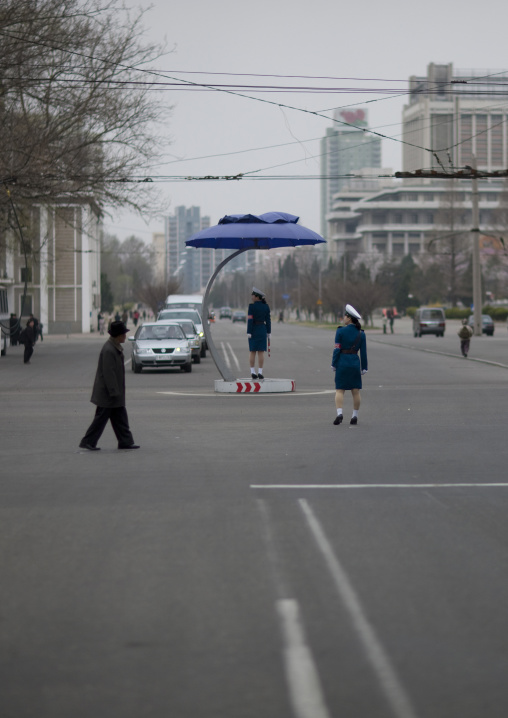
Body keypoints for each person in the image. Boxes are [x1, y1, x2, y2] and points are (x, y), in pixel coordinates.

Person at [79, 320, 139, 451]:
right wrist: (114, 392)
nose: (125, 336)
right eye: (123, 334)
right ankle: (88, 441)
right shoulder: (109, 350)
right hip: (108, 393)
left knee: (120, 418)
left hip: (112, 392)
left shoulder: (114, 347)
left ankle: (125, 441)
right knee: (101, 419)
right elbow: (108, 374)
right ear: (118, 335)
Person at [331, 303, 368, 426]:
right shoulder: (361, 334)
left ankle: (339, 413)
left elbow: (337, 349)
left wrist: (334, 364)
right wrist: (364, 367)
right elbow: (363, 353)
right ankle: (354, 416)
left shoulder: (340, 331)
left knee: (340, 390)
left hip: (342, 362)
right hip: (354, 362)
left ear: (349, 318)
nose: (343, 318)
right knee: (355, 391)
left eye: (345, 316)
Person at [247, 287, 271, 380]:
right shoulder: (266, 307)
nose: (252, 297)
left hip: (253, 330)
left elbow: (250, 320)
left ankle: (253, 372)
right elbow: (268, 321)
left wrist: (248, 331)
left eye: (253, 295)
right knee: (261, 352)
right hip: (262, 330)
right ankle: (260, 372)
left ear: (257, 297)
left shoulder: (251, 307)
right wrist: (269, 332)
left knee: (252, 351)